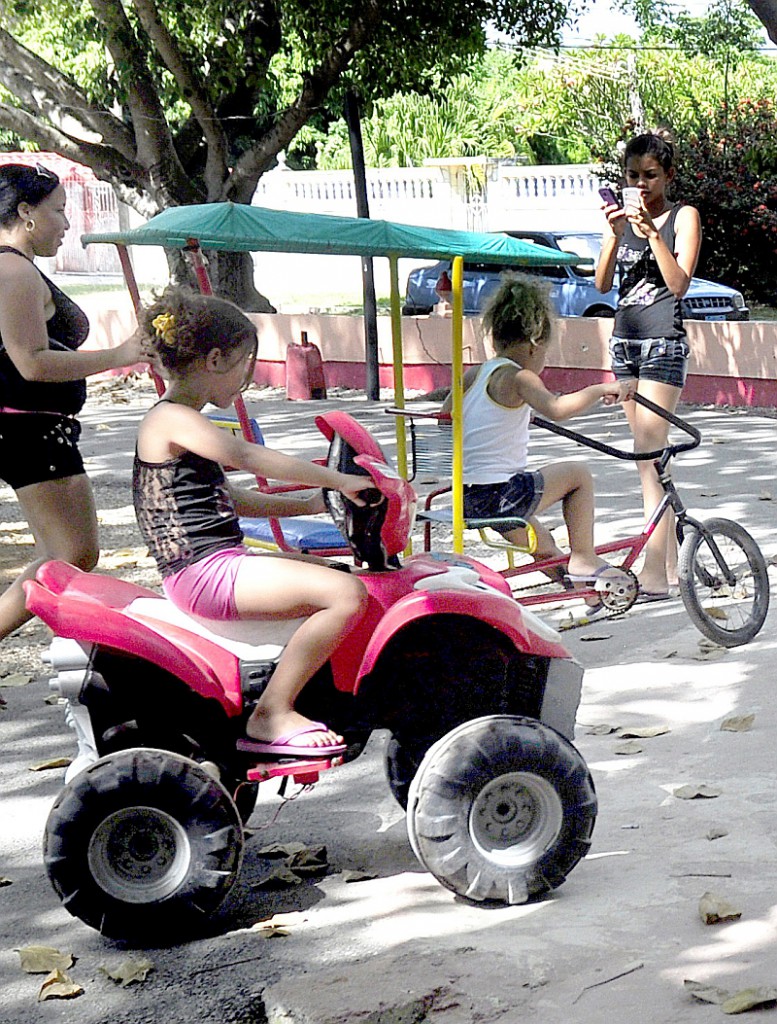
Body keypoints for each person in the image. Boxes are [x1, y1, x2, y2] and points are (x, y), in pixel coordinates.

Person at [134, 288, 372, 757]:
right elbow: (244, 456)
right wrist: (338, 478)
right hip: (204, 572)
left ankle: (316, 698)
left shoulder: (180, 421)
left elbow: (230, 499)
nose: (249, 373)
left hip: (210, 566)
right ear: (217, 359)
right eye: (247, 360)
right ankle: (272, 713)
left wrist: (312, 503)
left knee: (335, 574)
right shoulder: (172, 418)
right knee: (347, 596)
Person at [0, 163, 143, 667]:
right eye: (58, 211)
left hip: (33, 426)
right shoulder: (12, 270)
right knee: (70, 554)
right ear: (25, 213)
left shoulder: (15, 269)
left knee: (67, 553)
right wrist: (122, 353)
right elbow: (30, 362)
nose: (66, 224)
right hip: (26, 427)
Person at [441, 274, 635, 608]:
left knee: (542, 544)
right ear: (533, 343)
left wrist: (499, 419)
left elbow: (446, 420)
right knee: (578, 474)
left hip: (468, 496)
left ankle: (581, 590)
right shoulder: (520, 376)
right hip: (503, 495)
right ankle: (585, 558)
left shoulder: (474, 374)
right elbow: (557, 409)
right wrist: (601, 389)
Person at [595, 130, 702, 601]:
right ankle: (679, 566)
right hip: (625, 343)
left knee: (645, 457)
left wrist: (653, 234)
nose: (641, 185)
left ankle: (656, 574)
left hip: (663, 342)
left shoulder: (683, 217)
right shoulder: (620, 219)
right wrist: (614, 236)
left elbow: (678, 284)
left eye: (650, 176)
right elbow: (601, 285)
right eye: (632, 176)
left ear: (668, 176)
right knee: (652, 463)